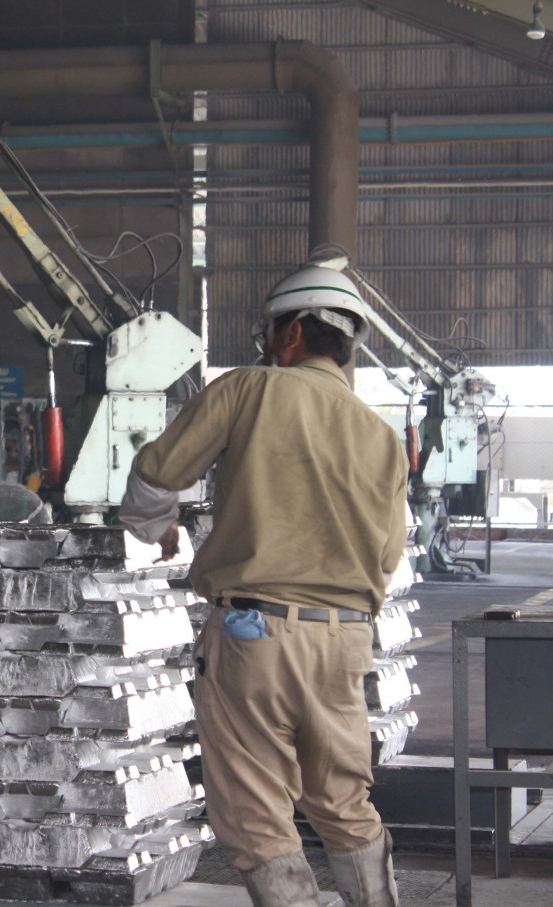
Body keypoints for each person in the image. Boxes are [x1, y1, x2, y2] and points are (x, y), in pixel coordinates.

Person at [119, 264, 408, 907]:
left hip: (256, 637)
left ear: (294, 334)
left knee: (254, 810)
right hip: (347, 642)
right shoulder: (383, 438)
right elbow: (388, 554)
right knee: (343, 802)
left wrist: (159, 530)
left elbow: (153, 479)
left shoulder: (249, 389)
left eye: (274, 333)